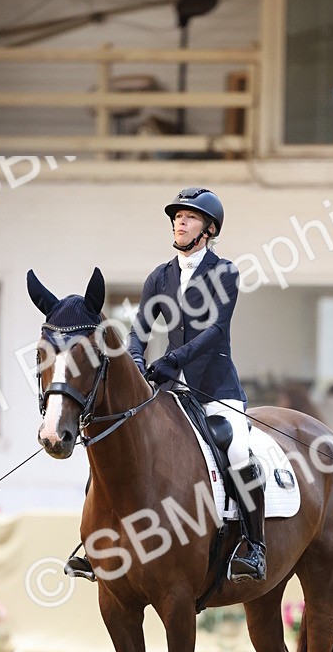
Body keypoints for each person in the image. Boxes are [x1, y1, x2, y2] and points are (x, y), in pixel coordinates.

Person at [66, 187, 266, 584]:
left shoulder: (224, 273)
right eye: (177, 217)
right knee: (112, 443)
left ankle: (254, 546)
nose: (179, 221)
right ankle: (93, 543)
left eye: (189, 217)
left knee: (240, 451)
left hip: (216, 389)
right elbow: (141, 328)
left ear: (208, 229)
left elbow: (215, 331)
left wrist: (173, 359)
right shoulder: (160, 276)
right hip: (169, 390)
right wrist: (137, 358)